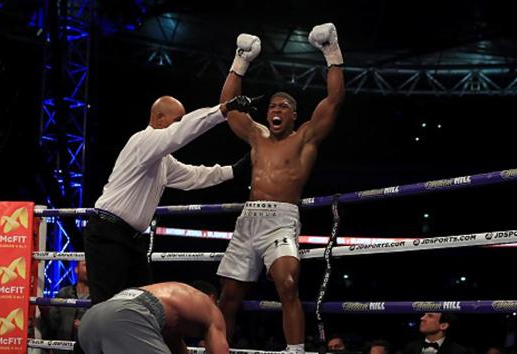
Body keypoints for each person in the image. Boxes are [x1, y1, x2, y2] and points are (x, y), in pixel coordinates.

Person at [216, 23, 346, 354]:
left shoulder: (305, 137)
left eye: (283, 107)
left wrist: (331, 52)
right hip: (248, 220)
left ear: (294, 115)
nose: (276, 110)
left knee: (288, 284)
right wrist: (240, 61)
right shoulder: (256, 135)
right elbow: (227, 106)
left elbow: (334, 100)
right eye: (272, 106)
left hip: (282, 219)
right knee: (228, 297)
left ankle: (296, 351)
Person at [83, 95, 255, 305]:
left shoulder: (162, 160)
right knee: (107, 307)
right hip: (108, 234)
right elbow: (181, 133)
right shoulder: (143, 142)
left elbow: (193, 176)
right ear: (159, 119)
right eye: (177, 120)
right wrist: (223, 110)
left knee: (139, 306)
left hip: (132, 240)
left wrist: (234, 171)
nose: (180, 125)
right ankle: (87, 339)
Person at [78, 281, 229, 354]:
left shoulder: (171, 314)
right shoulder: (212, 310)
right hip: (127, 317)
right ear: (212, 297)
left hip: (92, 318)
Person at [39, 261, 89, 354]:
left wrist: (86, 327)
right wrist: (45, 313)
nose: (90, 268)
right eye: (85, 265)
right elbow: (53, 325)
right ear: (76, 269)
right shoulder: (63, 293)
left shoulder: (99, 297)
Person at [402, 313, 470, 354]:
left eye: (430, 316)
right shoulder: (410, 347)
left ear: (443, 325)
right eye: (424, 315)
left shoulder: (459, 352)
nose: (422, 318)